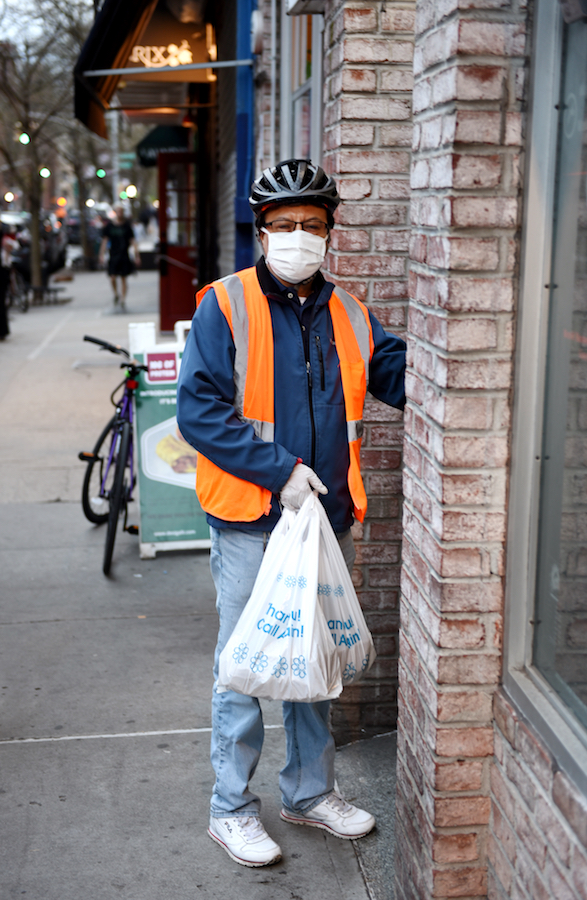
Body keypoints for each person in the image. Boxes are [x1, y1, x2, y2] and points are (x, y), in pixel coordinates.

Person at [177, 158, 406, 868]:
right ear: (261, 231)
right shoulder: (225, 304)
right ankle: (231, 807)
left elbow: (409, 373)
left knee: (311, 660)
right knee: (245, 666)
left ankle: (309, 794)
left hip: (322, 521)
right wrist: (281, 473)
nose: (298, 236)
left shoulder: (351, 313)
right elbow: (200, 412)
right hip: (252, 518)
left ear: (330, 233)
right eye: (284, 224)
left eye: (312, 225)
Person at [98, 207, 140, 310]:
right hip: (113, 255)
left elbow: (133, 241)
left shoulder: (127, 226)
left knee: (123, 278)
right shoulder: (110, 226)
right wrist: (101, 254)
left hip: (124, 255)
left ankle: (123, 299)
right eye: (118, 212)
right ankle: (116, 294)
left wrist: (137, 255)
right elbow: (104, 241)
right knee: (112, 277)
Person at [0, 225, 19, 340]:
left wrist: (8, 249)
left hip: (2, 275)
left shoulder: (4, 241)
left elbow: (15, 245)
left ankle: (2, 330)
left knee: (2, 304)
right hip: (3, 274)